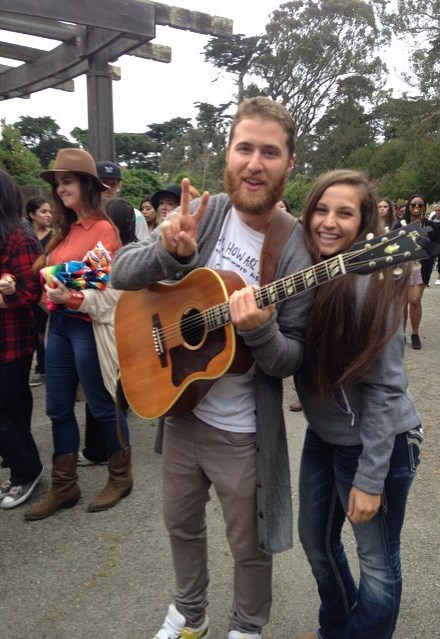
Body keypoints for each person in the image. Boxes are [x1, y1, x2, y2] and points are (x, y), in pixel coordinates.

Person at [111, 96, 313, 639]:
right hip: (181, 410)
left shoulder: (296, 248)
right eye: (244, 147)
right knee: (180, 525)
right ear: (228, 153)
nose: (254, 162)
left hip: (243, 432)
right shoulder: (205, 212)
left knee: (249, 546)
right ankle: (189, 613)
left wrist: (258, 330)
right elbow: (120, 275)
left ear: (289, 163)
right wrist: (170, 256)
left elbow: (293, 355)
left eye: (269, 152)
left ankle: (246, 627)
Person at [294, 169, 423, 639]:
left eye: (344, 213)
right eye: (321, 211)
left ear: (365, 221)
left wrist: (370, 478)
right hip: (325, 434)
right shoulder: (305, 273)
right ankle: (337, 626)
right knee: (316, 540)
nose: (328, 222)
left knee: (378, 565)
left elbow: (387, 388)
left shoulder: (373, 282)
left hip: (379, 441)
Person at [25, 148, 132, 521]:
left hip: (87, 328)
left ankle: (121, 476)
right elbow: (50, 280)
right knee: (57, 408)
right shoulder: (64, 230)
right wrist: (49, 291)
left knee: (102, 405)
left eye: (67, 181)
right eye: (58, 184)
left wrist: (69, 296)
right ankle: (64, 485)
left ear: (87, 185)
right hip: (60, 326)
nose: (61, 189)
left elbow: (109, 293)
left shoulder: (103, 230)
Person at [79, 197, 137, 467]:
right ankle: (109, 448)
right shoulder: (136, 249)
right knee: (111, 388)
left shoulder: (105, 252)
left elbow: (98, 295)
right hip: (130, 324)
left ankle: (100, 451)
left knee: (100, 394)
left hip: (106, 324)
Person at [0, 169, 44, 509]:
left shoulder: (20, 236)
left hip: (13, 339)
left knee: (6, 405)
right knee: (13, 404)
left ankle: (26, 470)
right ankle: (21, 459)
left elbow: (31, 293)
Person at [393, 195, 435, 349]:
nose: (416, 207)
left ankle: (415, 333)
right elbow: (391, 245)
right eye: (413, 204)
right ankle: (401, 334)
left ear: (424, 207)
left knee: (415, 300)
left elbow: (437, 247)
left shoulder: (430, 225)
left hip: (420, 266)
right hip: (402, 266)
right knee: (402, 302)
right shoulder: (399, 225)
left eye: (420, 204)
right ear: (409, 207)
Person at [25, 197, 54, 386]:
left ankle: (44, 369)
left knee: (46, 332)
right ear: (31, 214)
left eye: (50, 211)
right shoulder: (25, 235)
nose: (48, 215)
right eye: (43, 211)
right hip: (28, 290)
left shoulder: (54, 236)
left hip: (47, 290)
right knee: (35, 331)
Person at [96, 160, 149, 240]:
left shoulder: (136, 215)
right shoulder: (85, 214)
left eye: (113, 183)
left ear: (119, 186)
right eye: (103, 182)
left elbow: (143, 246)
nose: (108, 187)